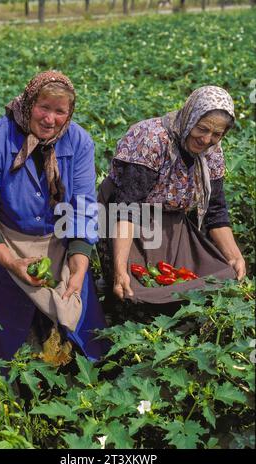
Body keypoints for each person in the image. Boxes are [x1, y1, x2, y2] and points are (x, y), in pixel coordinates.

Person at [0, 70, 109, 362]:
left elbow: (82, 207)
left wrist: (78, 262)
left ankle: (75, 369)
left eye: (60, 111)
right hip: (3, 236)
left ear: (69, 114)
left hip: (56, 237)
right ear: (29, 103)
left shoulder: (78, 142)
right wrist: (12, 261)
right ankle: (1, 370)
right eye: (44, 107)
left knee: (78, 322)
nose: (49, 119)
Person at [97, 86, 246, 310]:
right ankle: (112, 292)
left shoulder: (213, 153)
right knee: (132, 287)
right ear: (189, 117)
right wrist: (120, 270)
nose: (206, 140)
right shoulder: (153, 139)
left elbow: (216, 212)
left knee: (218, 275)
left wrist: (234, 256)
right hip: (126, 218)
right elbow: (126, 208)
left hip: (170, 220)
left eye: (217, 134)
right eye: (202, 129)